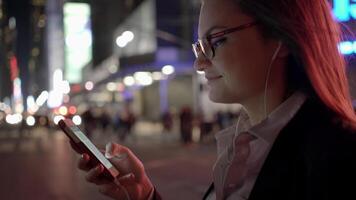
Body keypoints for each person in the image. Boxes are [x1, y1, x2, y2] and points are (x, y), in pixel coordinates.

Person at [69, 0, 356, 199]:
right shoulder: (244, 144)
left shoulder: (336, 155)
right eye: (199, 46)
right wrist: (143, 193)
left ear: (280, 35)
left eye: (216, 41)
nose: (200, 63)